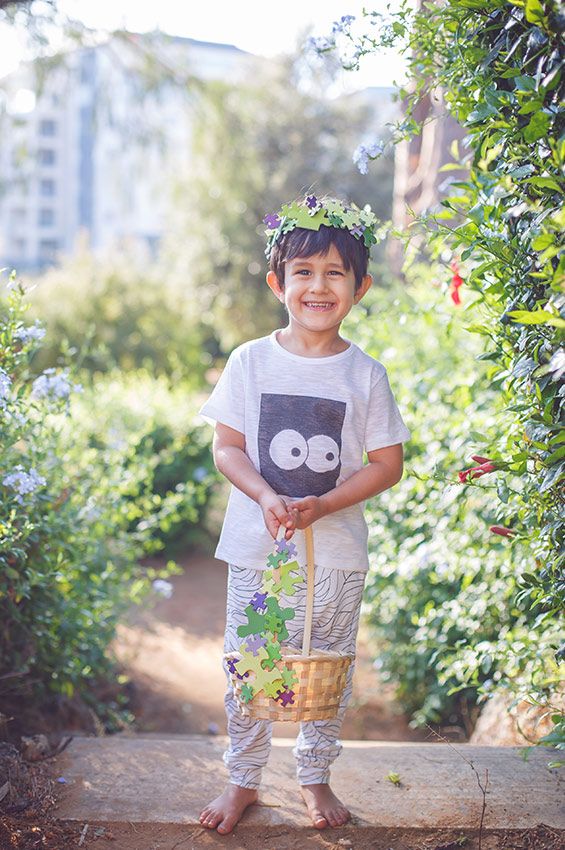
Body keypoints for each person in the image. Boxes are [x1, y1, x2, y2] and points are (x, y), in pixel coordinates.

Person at [197, 194, 411, 834]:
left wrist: (323, 505)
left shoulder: (365, 374)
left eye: (335, 273)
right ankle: (244, 779)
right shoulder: (250, 362)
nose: (319, 286)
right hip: (259, 549)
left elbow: (386, 463)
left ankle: (314, 777)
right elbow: (227, 447)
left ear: (361, 287)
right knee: (252, 660)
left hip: (336, 554)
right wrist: (266, 496)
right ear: (277, 283)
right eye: (304, 272)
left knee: (326, 661)